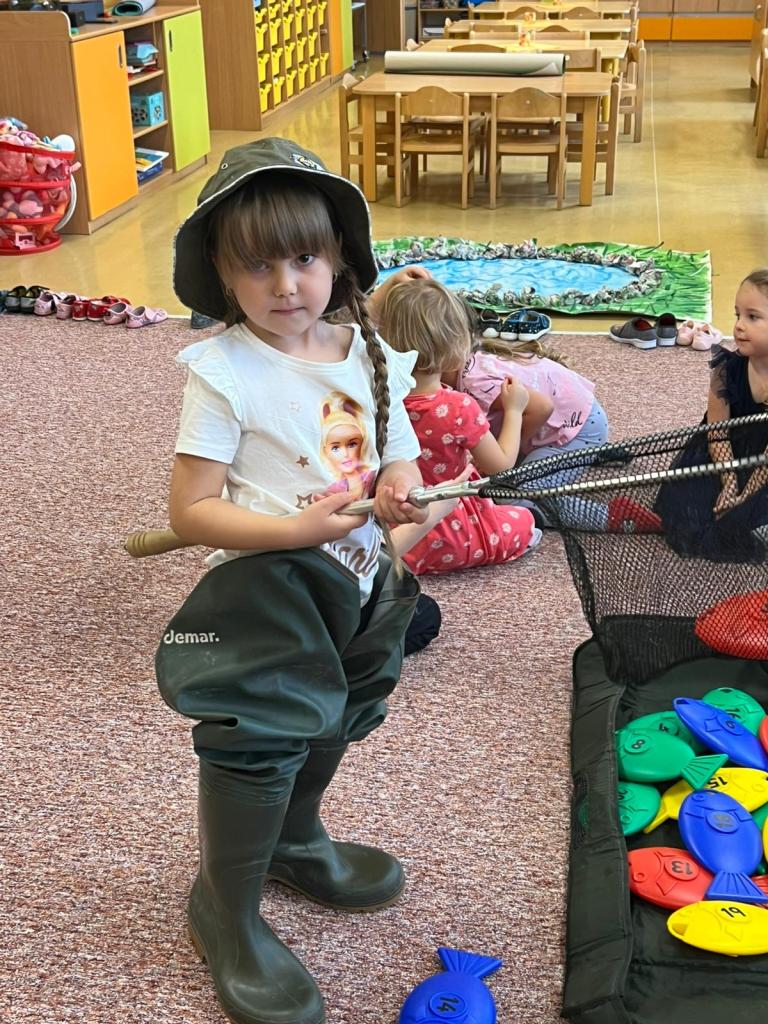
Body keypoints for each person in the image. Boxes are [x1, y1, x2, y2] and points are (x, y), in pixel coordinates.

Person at [155, 138, 432, 1024]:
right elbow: (193, 510)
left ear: (339, 256)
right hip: (266, 593)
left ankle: (295, 839)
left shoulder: (368, 349)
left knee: (341, 711)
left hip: (361, 582)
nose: (285, 285)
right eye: (257, 265)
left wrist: (400, 491)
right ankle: (225, 908)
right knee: (261, 736)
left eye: (304, 258)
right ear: (220, 273)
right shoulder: (224, 371)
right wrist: (293, 531)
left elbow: (394, 456)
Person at [373, 275, 538, 574]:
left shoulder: (374, 397)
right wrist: (514, 410)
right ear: (455, 349)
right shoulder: (457, 406)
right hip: (449, 529)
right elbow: (500, 467)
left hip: (390, 533)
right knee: (526, 519)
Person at [655, 269, 768, 561]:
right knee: (687, 509)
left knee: (745, 518)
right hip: (725, 455)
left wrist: (745, 496)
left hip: (764, 465)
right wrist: (729, 483)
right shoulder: (726, 368)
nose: (739, 326)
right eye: (738, 314)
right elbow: (717, 432)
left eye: (753, 317)